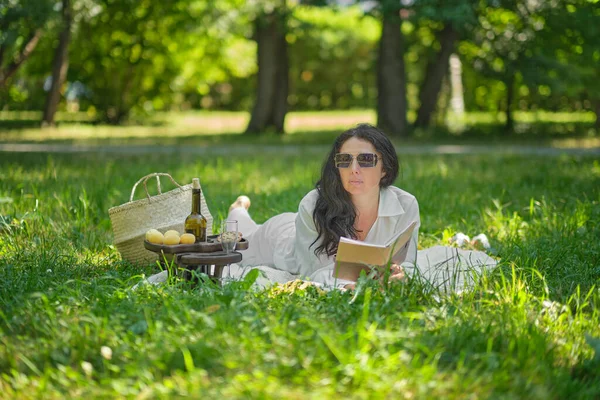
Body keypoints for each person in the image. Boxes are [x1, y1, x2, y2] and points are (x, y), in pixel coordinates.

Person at [227, 123, 420, 289]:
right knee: (240, 241)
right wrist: (350, 285)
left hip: (296, 227)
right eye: (345, 160)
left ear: (385, 168)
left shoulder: (406, 205)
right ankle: (237, 209)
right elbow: (313, 272)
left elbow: (408, 263)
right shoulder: (312, 205)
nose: (354, 170)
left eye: (365, 160)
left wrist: (399, 277)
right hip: (280, 239)